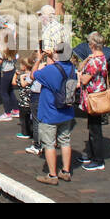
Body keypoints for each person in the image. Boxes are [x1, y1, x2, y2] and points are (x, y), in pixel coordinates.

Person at [33, 48, 77, 185]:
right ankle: (65, 171)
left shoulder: (49, 70)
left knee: (49, 144)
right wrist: (55, 57)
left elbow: (33, 75)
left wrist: (39, 59)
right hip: (66, 111)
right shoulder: (71, 68)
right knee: (65, 141)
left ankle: (52, 175)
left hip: (50, 112)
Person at [77, 32, 110, 171]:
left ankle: (98, 159)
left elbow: (84, 79)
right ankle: (91, 154)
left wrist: (78, 76)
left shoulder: (95, 62)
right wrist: (86, 60)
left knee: (95, 129)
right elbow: (81, 66)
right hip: (97, 94)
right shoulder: (101, 57)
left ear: (92, 44)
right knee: (92, 126)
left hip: (94, 97)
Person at [14, 55, 40, 151]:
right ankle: (32, 132)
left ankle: (26, 133)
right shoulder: (33, 75)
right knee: (32, 118)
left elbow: (16, 83)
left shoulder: (26, 77)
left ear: (24, 66)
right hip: (31, 101)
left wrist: (18, 76)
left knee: (24, 119)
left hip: (24, 102)